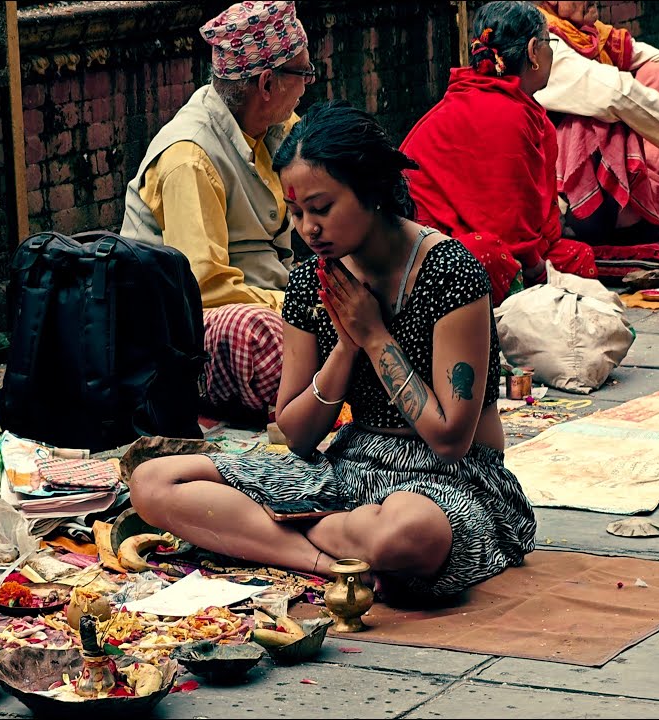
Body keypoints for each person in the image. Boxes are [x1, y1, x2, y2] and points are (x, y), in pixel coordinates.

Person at [129, 101, 536, 601]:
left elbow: (450, 438)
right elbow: (297, 436)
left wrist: (374, 336)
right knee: (153, 481)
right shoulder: (312, 282)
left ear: (372, 192)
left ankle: (277, 534)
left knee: (406, 535)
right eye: (296, 213)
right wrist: (345, 346)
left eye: (322, 209)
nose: (307, 229)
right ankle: (325, 562)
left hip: (450, 478)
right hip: (349, 465)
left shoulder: (448, 273)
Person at [121, 0, 313, 423]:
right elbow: (203, 289)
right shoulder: (190, 158)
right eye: (303, 73)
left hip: (275, 297)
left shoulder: (277, 129)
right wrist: (297, 304)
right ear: (267, 83)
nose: (308, 83)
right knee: (258, 333)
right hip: (191, 330)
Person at [401, 1, 597, 305]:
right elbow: (506, 225)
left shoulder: (517, 108)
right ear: (533, 51)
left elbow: (534, 216)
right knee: (489, 258)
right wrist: (535, 265)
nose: (550, 52)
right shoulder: (506, 114)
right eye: (549, 42)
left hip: (492, 241)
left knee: (577, 257)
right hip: (428, 253)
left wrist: (541, 252)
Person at [534, 1, 659, 249]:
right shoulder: (543, 39)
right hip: (563, 179)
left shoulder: (596, 35)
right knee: (596, 122)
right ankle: (637, 229)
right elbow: (611, 93)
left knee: (658, 72)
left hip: (629, 163)